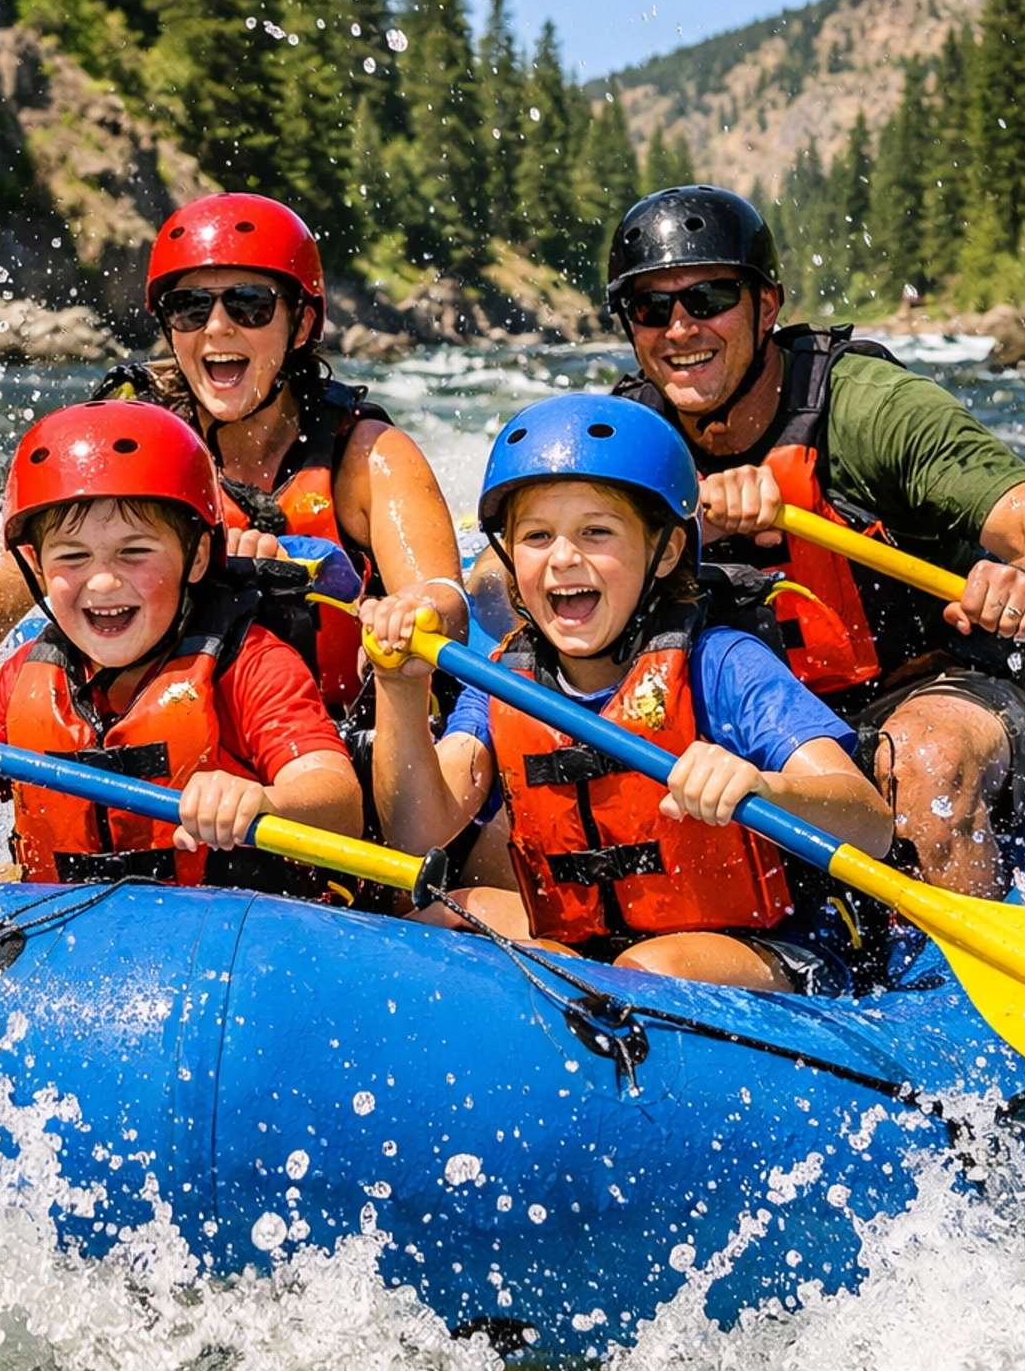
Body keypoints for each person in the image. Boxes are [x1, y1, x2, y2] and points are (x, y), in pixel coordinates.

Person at [600, 184, 1025, 898]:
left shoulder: (872, 409)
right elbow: (517, 589)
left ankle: (955, 990)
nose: (680, 328)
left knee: (927, 762)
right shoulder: (623, 439)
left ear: (767, 307)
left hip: (934, 684)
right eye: (651, 308)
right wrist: (683, 521)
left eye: (711, 298)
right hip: (761, 711)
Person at [364, 395, 892, 991]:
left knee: (645, 971)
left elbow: (871, 823)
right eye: (537, 536)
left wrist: (761, 786)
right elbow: (418, 833)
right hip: (594, 945)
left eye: (596, 533)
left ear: (665, 550)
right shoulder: (501, 681)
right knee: (439, 918)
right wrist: (399, 691)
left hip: (764, 948)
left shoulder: (720, 665)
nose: (563, 558)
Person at [0, 194, 468, 714]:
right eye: (190, 308)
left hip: (329, 747)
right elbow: (3, 581)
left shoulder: (367, 456)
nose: (217, 326)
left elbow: (443, 600)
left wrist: (408, 614)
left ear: (301, 325)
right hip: (173, 743)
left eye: (250, 305)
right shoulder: (121, 444)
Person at [0, 402, 362, 882]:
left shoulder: (250, 663)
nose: (103, 582)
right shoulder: (22, 682)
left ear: (197, 558)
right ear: (35, 566)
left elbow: (337, 800)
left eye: (135, 552)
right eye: (73, 557)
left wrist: (262, 801)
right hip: (73, 943)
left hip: (229, 936)